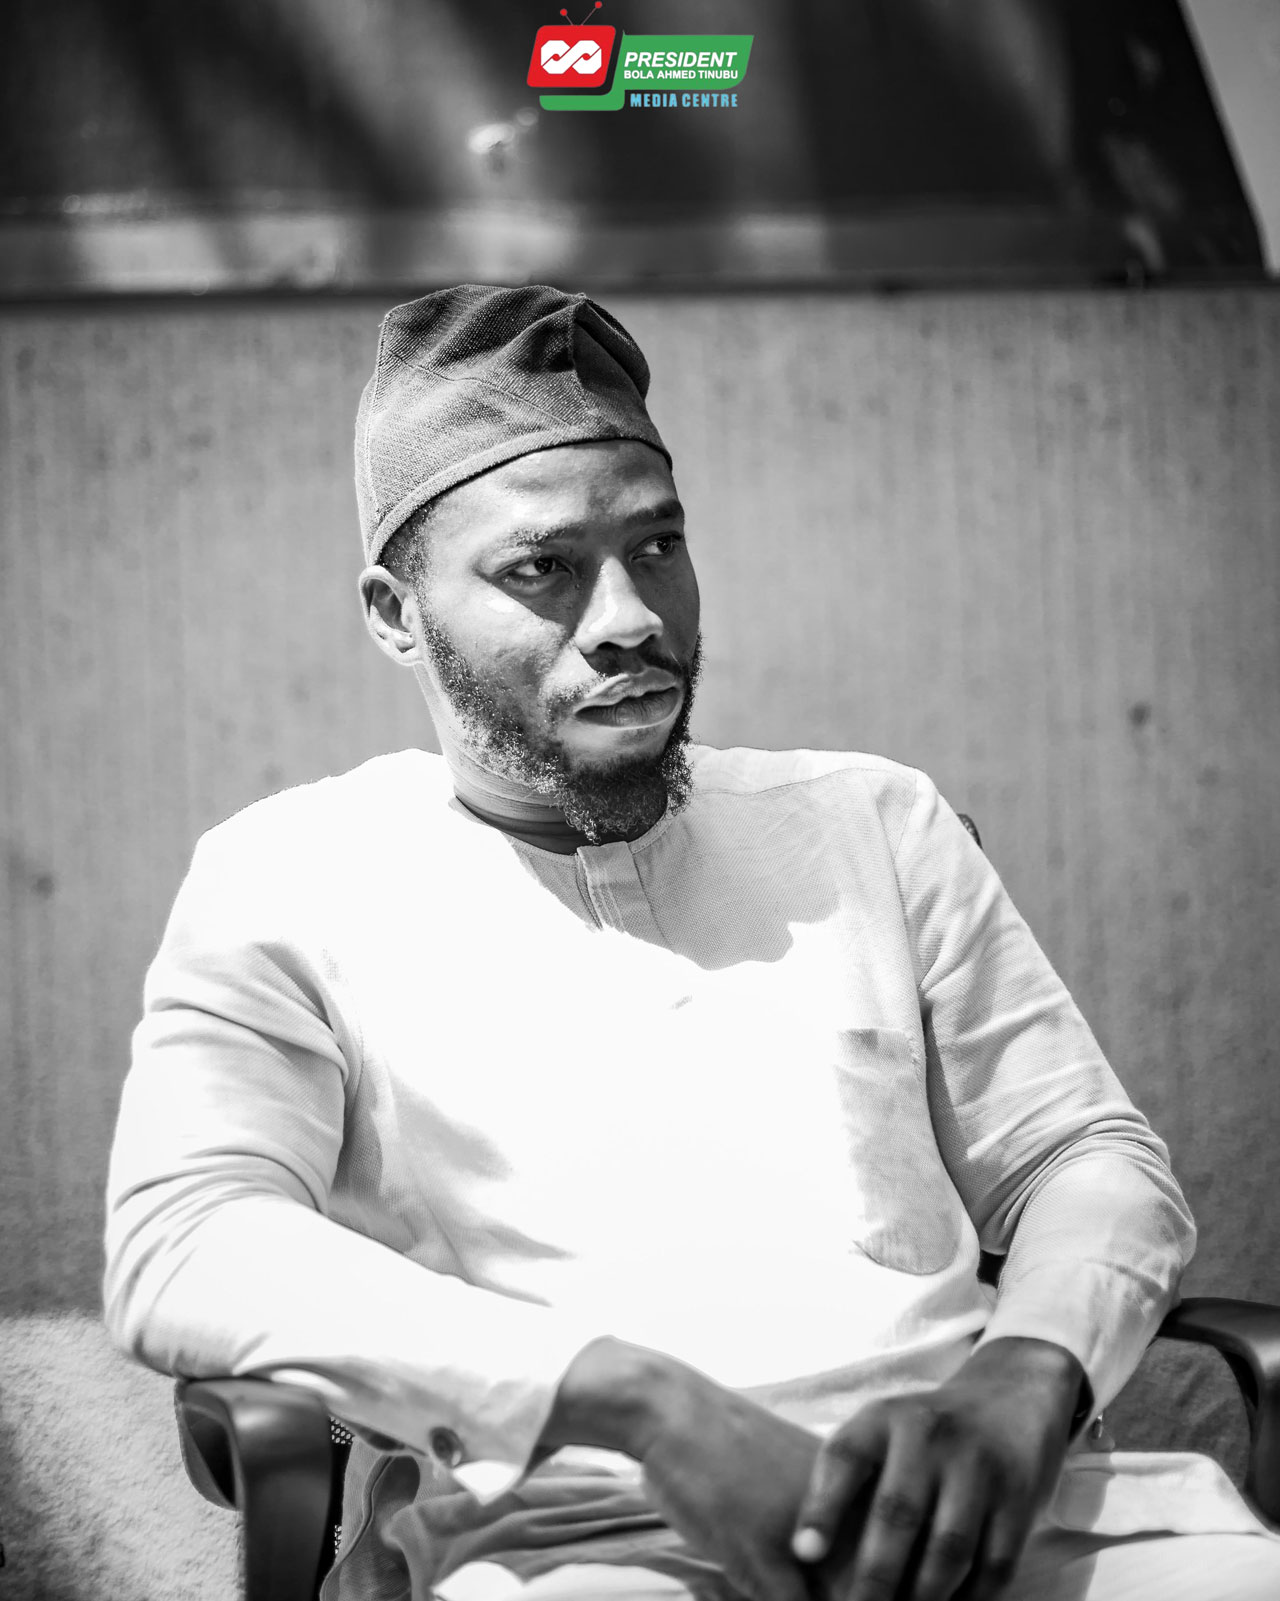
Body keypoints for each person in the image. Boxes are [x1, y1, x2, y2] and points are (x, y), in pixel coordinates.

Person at [104, 285, 1280, 1601]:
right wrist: (646, 1405)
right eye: (542, 568)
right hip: (577, 1542)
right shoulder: (290, 879)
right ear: (396, 612)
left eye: (657, 545)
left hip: (978, 1524)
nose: (631, 616)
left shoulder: (872, 821)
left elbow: (1082, 1154)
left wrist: (1029, 1370)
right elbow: (186, 1239)